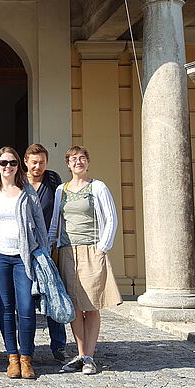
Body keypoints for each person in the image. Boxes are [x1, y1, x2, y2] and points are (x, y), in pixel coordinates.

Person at [0, 147, 48, 380]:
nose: (8, 167)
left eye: (12, 163)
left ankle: (27, 358)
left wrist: (44, 256)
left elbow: (40, 225)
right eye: (4, 163)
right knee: (5, 308)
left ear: (18, 165)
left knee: (25, 308)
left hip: (23, 257)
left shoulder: (27, 191)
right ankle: (13, 358)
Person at [48, 146, 121, 375]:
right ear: (68, 164)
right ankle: (80, 354)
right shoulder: (61, 190)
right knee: (75, 307)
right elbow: (55, 221)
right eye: (73, 159)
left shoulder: (98, 187)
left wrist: (102, 248)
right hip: (68, 251)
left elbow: (111, 218)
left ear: (88, 162)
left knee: (91, 304)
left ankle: (90, 355)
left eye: (82, 158)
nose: (78, 162)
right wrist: (50, 246)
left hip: (91, 250)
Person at [24, 143, 67, 363]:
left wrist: (56, 241)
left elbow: (60, 211)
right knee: (26, 300)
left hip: (48, 248)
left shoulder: (52, 179)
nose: (37, 166)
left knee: (53, 293)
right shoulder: (19, 182)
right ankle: (26, 348)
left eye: (41, 162)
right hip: (24, 249)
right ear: (26, 162)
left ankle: (59, 345)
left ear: (46, 162)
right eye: (34, 162)